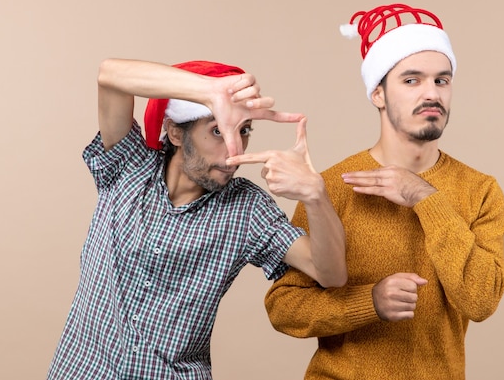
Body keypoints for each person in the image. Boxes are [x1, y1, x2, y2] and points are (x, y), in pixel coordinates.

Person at [246, 3, 504, 380]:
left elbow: (481, 301)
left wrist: (424, 198)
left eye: (442, 80)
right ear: (378, 94)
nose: (431, 93)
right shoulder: (334, 186)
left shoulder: (480, 191)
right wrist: (369, 302)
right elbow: (285, 307)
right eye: (412, 80)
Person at [46, 58, 347, 380]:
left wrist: (315, 195)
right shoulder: (130, 165)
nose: (234, 149)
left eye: (243, 131)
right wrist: (211, 91)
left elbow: (330, 274)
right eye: (217, 130)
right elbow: (110, 75)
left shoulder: (246, 208)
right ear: (176, 132)